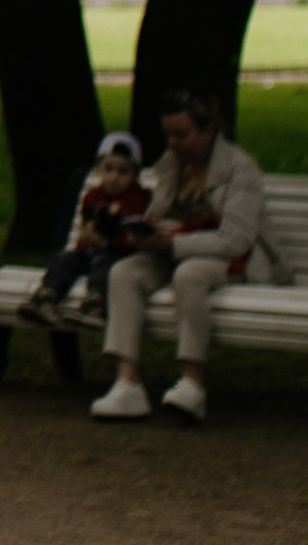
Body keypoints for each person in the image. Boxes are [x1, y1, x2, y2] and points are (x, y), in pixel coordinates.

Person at [90, 86, 281, 426]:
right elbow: (161, 211)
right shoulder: (171, 164)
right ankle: (127, 383)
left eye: (181, 134)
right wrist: (148, 232)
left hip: (233, 257)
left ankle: (193, 385)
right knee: (124, 273)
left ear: (208, 131)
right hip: (175, 247)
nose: (173, 143)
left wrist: (173, 244)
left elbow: (235, 240)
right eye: (168, 135)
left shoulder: (240, 170)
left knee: (189, 275)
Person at [14, 133, 149, 329]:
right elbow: (86, 225)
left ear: (135, 174)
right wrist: (87, 237)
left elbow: (135, 238)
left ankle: (96, 304)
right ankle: (45, 297)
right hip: (90, 252)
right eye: (108, 169)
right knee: (64, 259)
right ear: (99, 169)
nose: (114, 178)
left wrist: (108, 243)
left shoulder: (138, 199)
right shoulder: (93, 196)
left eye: (123, 172)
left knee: (106, 263)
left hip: (118, 254)